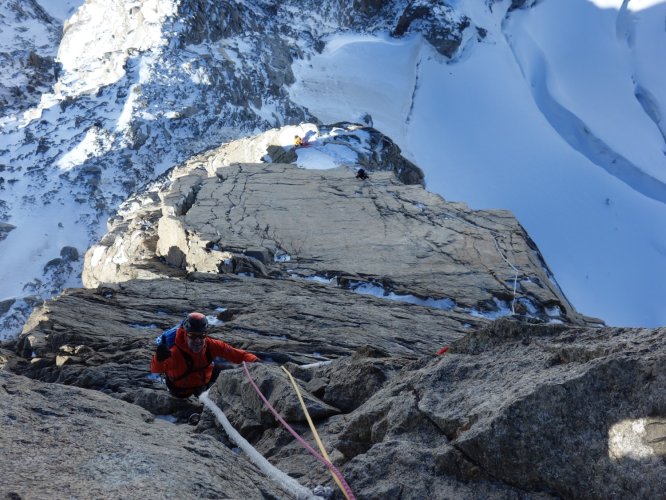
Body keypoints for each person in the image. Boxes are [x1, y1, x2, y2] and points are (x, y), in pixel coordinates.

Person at [151, 312, 260, 398]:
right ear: (185, 334)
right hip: (181, 391)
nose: (198, 340)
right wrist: (158, 358)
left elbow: (237, 354)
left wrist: (256, 362)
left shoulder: (210, 344)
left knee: (228, 369)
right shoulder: (174, 352)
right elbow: (156, 369)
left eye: (202, 335)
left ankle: (204, 390)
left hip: (202, 381)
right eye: (192, 335)